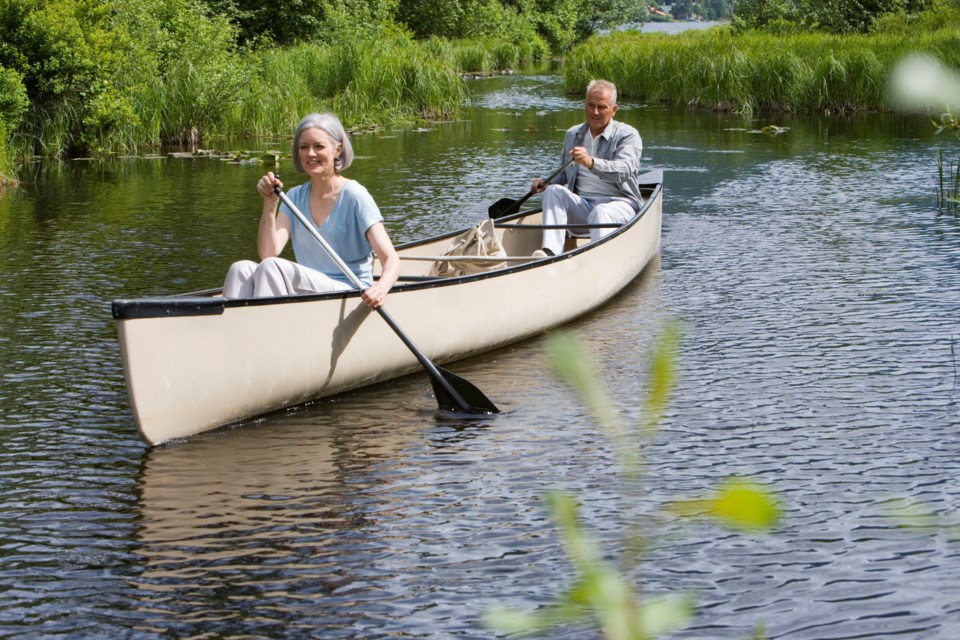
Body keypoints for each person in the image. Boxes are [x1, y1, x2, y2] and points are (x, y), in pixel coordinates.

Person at [223, 112, 399, 309]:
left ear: (337, 150)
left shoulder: (355, 195)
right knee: (240, 269)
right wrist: (270, 204)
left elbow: (391, 258)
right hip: (308, 291)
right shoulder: (294, 197)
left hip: (350, 290)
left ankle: (268, 333)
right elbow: (268, 253)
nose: (310, 153)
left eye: (319, 146)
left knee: (272, 268)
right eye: (304, 147)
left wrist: (380, 289)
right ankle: (236, 333)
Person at [529, 79, 644, 257]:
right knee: (553, 191)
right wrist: (545, 182)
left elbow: (624, 171)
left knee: (601, 212)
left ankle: (599, 260)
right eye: (591, 105)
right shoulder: (573, 134)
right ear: (585, 106)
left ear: (614, 110)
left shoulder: (627, 135)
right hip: (584, 205)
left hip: (620, 204)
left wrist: (591, 162)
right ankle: (550, 253)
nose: (595, 112)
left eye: (602, 107)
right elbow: (564, 174)